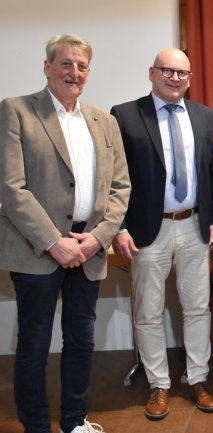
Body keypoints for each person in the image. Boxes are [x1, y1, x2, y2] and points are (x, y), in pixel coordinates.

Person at [0, 34, 130, 433]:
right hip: (37, 248)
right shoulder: (17, 111)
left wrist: (97, 238)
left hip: (88, 248)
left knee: (80, 341)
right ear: (47, 67)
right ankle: (36, 426)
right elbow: (11, 187)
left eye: (82, 66)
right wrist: (54, 241)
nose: (75, 72)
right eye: (66, 64)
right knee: (35, 344)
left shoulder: (103, 121)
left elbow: (120, 188)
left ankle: (75, 422)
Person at [111, 48, 213, 419]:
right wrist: (120, 227)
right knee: (147, 311)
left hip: (193, 226)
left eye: (182, 73)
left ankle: (198, 379)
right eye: (167, 71)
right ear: (152, 73)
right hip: (147, 230)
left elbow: (211, 172)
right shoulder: (125, 115)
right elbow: (115, 177)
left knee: (196, 309)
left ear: (190, 78)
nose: (175, 78)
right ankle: (158, 384)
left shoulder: (204, 116)